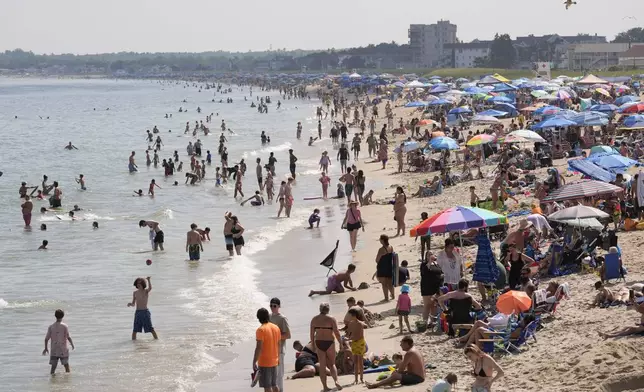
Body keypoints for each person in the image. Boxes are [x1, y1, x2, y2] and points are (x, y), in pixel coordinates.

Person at [310, 303, 343, 391]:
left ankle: (325, 387)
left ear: (320, 309)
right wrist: (341, 343)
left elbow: (312, 334)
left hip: (319, 342)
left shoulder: (314, 319)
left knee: (322, 365)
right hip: (329, 342)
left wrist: (313, 345)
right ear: (328, 309)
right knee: (332, 364)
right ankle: (336, 381)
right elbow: (337, 333)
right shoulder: (331, 319)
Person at [253, 308, 281, 392]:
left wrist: (254, 361)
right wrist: (278, 358)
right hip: (274, 360)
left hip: (265, 362)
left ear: (258, 318)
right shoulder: (276, 327)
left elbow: (259, 348)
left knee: (267, 386)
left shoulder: (260, 330)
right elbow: (279, 344)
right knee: (274, 384)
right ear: (268, 316)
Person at [43, 309, 74, 375]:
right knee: (66, 365)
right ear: (63, 316)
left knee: (53, 367)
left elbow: (46, 339)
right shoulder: (65, 326)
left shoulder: (51, 327)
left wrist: (46, 348)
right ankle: (67, 379)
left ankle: (52, 380)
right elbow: (68, 337)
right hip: (63, 349)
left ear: (55, 316)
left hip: (54, 349)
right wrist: (72, 344)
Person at [269, 298, 291, 392]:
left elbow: (288, 335)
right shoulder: (268, 317)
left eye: (274, 306)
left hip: (279, 349)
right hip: (270, 349)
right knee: (271, 374)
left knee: (279, 374)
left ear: (279, 306)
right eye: (271, 306)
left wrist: (275, 336)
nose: (272, 308)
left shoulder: (282, 318)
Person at [420, 252, 444, 327]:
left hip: (436, 287)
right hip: (427, 287)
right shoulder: (424, 264)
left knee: (434, 305)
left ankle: (432, 322)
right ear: (426, 256)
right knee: (427, 305)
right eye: (429, 254)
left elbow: (441, 272)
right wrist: (429, 261)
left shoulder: (437, 264)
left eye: (432, 254)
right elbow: (424, 272)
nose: (431, 255)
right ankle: (424, 322)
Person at [345, 308, 366, 384]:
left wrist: (350, 339)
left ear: (353, 315)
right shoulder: (350, 323)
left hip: (360, 342)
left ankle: (361, 378)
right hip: (354, 342)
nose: (348, 316)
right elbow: (348, 333)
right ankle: (356, 379)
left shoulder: (359, 324)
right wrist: (346, 337)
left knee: (360, 361)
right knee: (355, 361)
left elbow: (360, 335)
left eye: (349, 315)